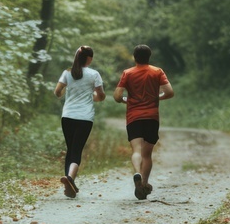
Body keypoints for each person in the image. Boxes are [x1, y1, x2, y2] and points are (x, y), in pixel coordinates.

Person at [113, 44, 173, 200]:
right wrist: (156, 97)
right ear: (149, 57)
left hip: (134, 117)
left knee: (137, 151)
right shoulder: (157, 72)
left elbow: (117, 96)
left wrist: (126, 100)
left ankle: (137, 173)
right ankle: (144, 183)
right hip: (152, 117)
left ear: (134, 57)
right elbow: (169, 92)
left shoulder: (128, 73)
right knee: (147, 154)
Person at [54, 46, 106, 198]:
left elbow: (57, 92)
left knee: (70, 149)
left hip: (67, 116)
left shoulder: (67, 73)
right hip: (84, 117)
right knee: (77, 150)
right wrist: (93, 97)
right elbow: (101, 96)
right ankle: (70, 178)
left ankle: (68, 184)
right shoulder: (94, 74)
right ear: (89, 59)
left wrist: (68, 92)